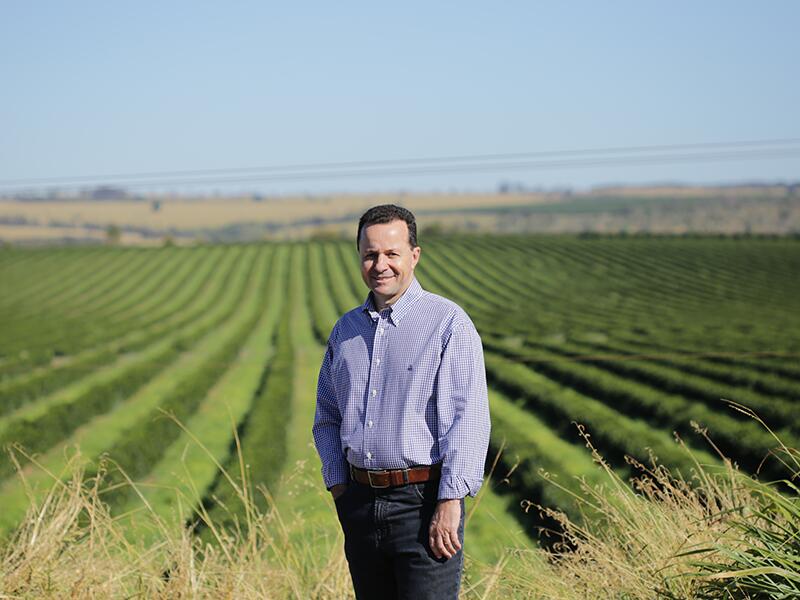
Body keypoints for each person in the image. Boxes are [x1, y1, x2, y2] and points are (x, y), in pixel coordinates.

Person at [312, 204, 490, 599]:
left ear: (414, 255)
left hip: (423, 504)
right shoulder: (346, 330)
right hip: (360, 503)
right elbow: (326, 417)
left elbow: (468, 419)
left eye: (391, 253)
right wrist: (340, 487)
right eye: (370, 254)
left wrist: (449, 501)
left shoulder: (447, 323)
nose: (380, 265)